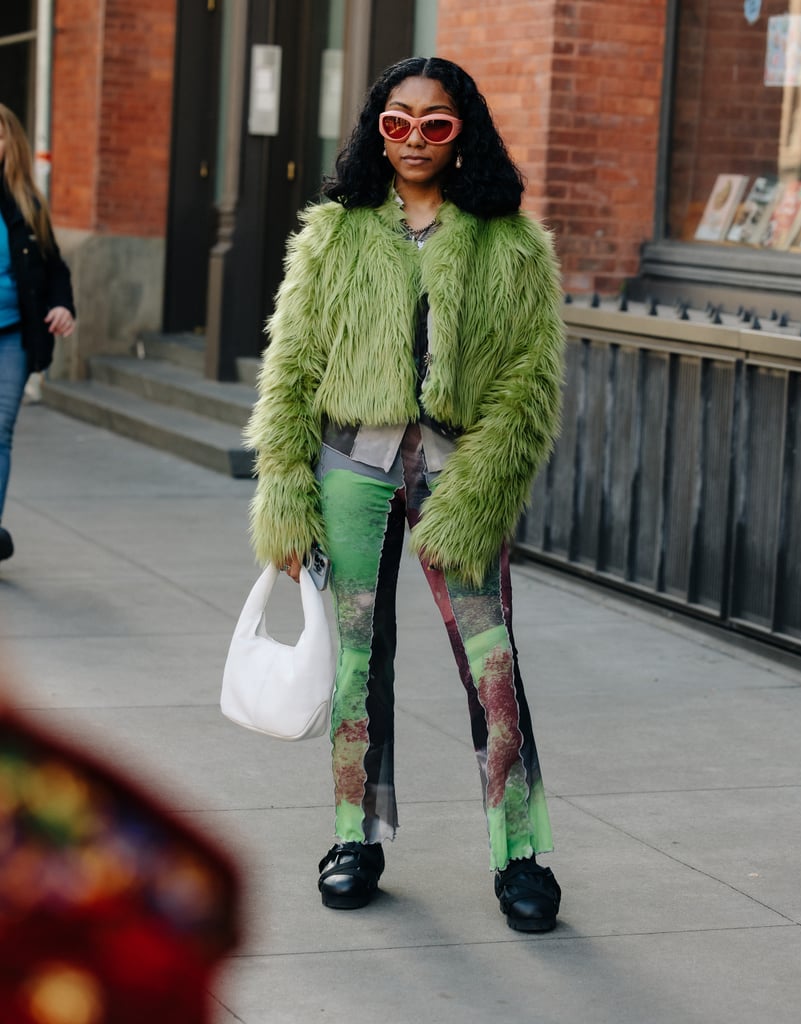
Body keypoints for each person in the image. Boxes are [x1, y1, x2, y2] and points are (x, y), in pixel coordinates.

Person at [245, 57, 565, 932]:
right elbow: (291, 368)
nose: (415, 139)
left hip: (462, 471)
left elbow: (530, 381)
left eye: (435, 123)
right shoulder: (334, 234)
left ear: (464, 130)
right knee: (353, 662)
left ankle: (519, 852)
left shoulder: (509, 241)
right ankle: (355, 835)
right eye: (397, 122)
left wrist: (483, 485)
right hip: (351, 463)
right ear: (375, 129)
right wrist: (284, 490)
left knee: (490, 666)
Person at [0, 104, 75, 563]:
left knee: (0, 430)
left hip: (12, 334)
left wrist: (63, 305)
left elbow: (55, 269)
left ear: (11, 144)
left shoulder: (27, 204)